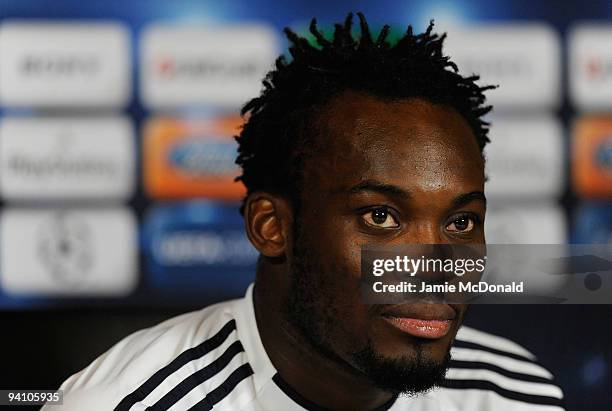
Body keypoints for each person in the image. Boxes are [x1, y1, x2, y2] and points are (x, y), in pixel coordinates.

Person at [44, 13, 565, 411]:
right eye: (381, 217)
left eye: (460, 222)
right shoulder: (127, 403)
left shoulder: (513, 393)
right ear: (271, 227)